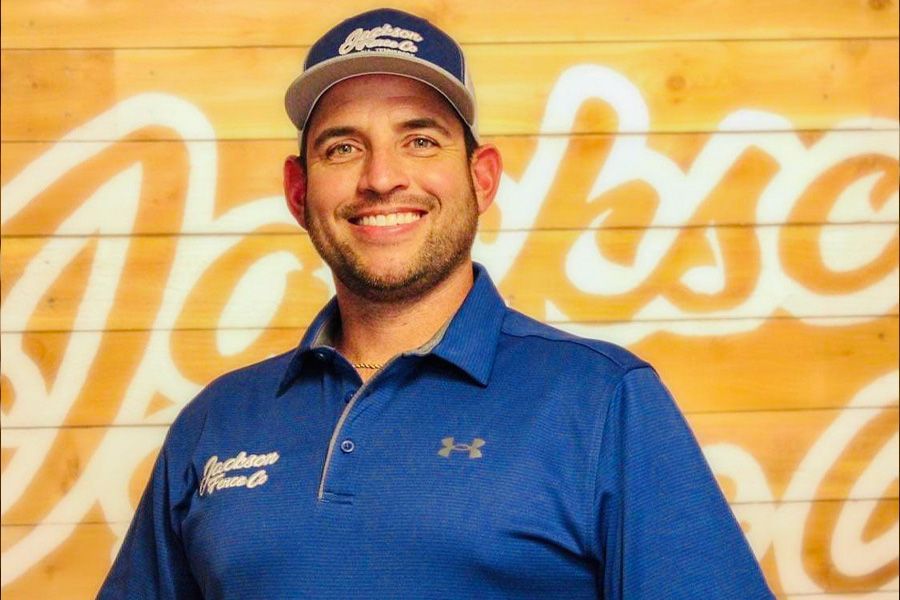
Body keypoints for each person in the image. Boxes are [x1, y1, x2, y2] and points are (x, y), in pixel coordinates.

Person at [99, 8, 774, 599]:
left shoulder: (601, 401)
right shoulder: (216, 422)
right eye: (343, 147)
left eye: (419, 140)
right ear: (299, 193)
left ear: (481, 179)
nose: (382, 177)